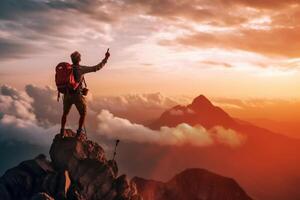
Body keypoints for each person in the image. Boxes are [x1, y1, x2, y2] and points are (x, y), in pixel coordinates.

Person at [60, 50, 110, 137]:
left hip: (67, 94)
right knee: (83, 113)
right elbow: (96, 68)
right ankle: (79, 133)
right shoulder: (81, 69)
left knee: (65, 114)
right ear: (79, 59)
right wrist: (106, 58)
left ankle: (62, 132)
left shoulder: (68, 69)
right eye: (80, 57)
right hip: (77, 95)